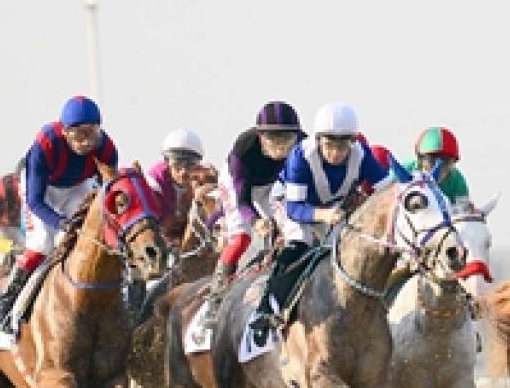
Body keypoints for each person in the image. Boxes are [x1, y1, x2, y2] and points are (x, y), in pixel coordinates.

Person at [248, 101, 392, 342]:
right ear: (318, 140)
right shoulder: (300, 156)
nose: (336, 153)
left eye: (342, 145)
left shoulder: (362, 154)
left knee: (346, 254)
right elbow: (295, 209)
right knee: (300, 243)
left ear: (352, 142)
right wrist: (324, 216)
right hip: (288, 203)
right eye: (329, 145)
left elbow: (387, 190)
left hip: (330, 209)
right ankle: (266, 309)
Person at [0, 95, 119, 343]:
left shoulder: (107, 149)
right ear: (64, 131)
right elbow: (35, 201)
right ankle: (7, 301)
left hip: (78, 186)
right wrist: (60, 222)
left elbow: (107, 194)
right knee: (43, 242)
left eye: (90, 133)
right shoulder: (44, 145)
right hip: (41, 190)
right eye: (77, 135)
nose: (84, 142)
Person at [200, 100, 305, 327]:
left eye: (286, 140)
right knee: (241, 238)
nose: (280, 149)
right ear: (259, 137)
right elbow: (243, 199)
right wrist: (255, 221)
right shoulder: (244, 150)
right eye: (273, 140)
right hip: (239, 185)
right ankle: (215, 300)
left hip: (273, 185)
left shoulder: (305, 144)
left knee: (294, 231)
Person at [145, 128, 218, 247]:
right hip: (160, 234)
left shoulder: (206, 176)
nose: (183, 172)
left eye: (190, 165)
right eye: (177, 164)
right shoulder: (154, 181)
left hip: (191, 235)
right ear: (167, 161)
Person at [401, 126, 470, 211]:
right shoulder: (404, 171)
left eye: (446, 161)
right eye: (432, 160)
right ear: (420, 159)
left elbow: (464, 211)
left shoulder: (457, 181)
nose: (439, 168)